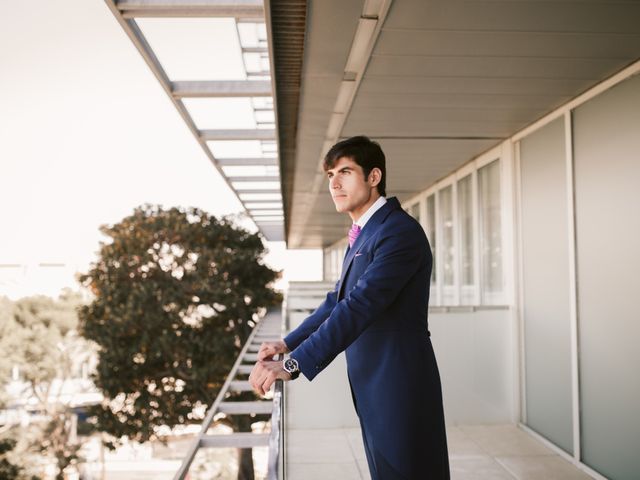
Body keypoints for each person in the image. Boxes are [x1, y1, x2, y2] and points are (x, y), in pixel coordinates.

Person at [249, 135, 450, 479]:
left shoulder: (398, 232)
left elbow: (359, 306)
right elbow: (337, 300)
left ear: (374, 177)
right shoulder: (364, 231)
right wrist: (288, 343)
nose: (335, 183)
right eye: (330, 175)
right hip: (373, 383)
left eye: (345, 172)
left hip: (400, 383)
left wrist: (293, 365)